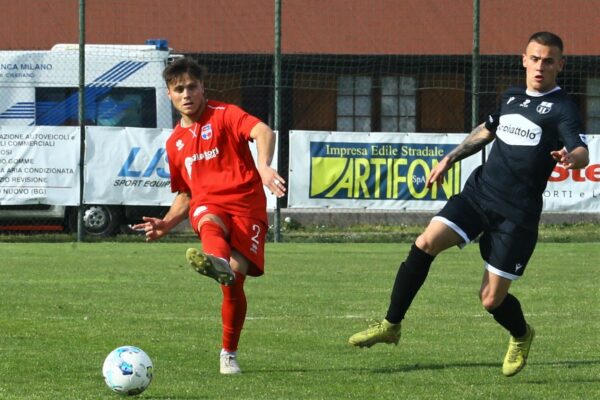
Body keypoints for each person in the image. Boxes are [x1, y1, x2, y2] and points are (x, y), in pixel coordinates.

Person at [348, 31, 589, 377]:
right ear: (523, 59)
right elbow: (487, 130)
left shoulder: (563, 109)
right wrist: (450, 158)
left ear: (560, 65)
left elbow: (581, 150)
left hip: (516, 216)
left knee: (491, 300)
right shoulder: (512, 97)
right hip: (479, 195)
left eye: (548, 61)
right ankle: (391, 324)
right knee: (425, 242)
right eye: (534, 58)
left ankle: (522, 334)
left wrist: (572, 158)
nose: (540, 67)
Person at [133, 57, 285, 375]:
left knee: (234, 281)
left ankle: (228, 352)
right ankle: (215, 260)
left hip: (247, 207)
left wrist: (262, 164)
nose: (186, 94)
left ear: (202, 88)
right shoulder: (175, 143)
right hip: (209, 205)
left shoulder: (224, 114)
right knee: (207, 217)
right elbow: (186, 194)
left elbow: (262, 130)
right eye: (179, 89)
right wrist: (167, 223)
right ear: (169, 94)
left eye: (191, 87)